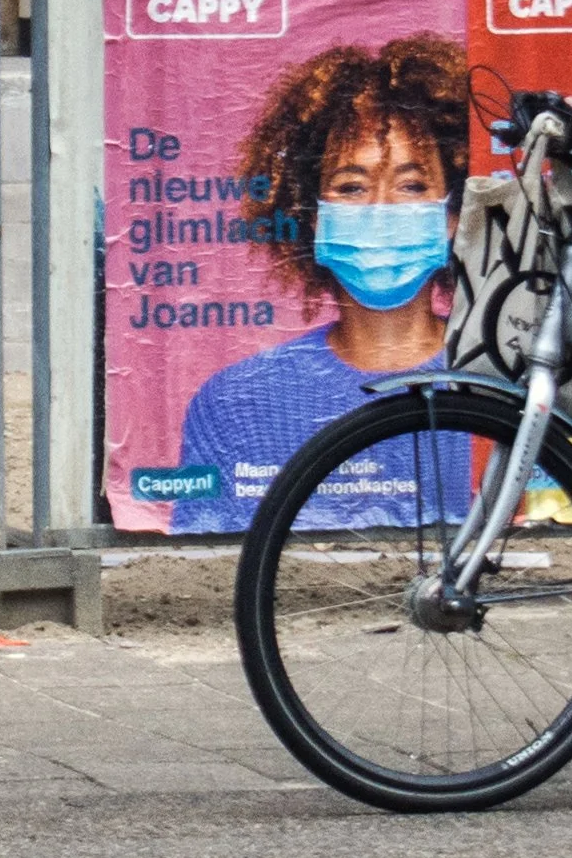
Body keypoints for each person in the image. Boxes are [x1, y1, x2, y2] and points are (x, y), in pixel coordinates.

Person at [170, 34, 470, 534]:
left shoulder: (501, 385)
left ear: (455, 213)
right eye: (351, 187)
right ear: (311, 215)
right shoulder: (235, 402)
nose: (381, 209)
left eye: (411, 185)